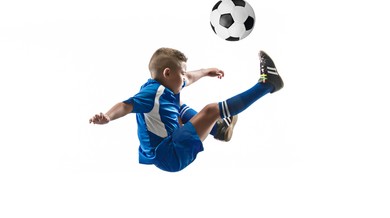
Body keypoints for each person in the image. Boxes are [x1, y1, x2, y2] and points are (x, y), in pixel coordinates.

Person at [89, 48, 283, 172]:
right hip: (169, 153)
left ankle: (220, 130)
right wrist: (107, 116)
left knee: (178, 108)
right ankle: (267, 84)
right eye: (181, 72)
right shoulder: (152, 93)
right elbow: (125, 105)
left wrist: (207, 71)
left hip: (165, 148)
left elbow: (189, 77)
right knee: (210, 111)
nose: (184, 77)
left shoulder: (166, 86)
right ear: (167, 73)